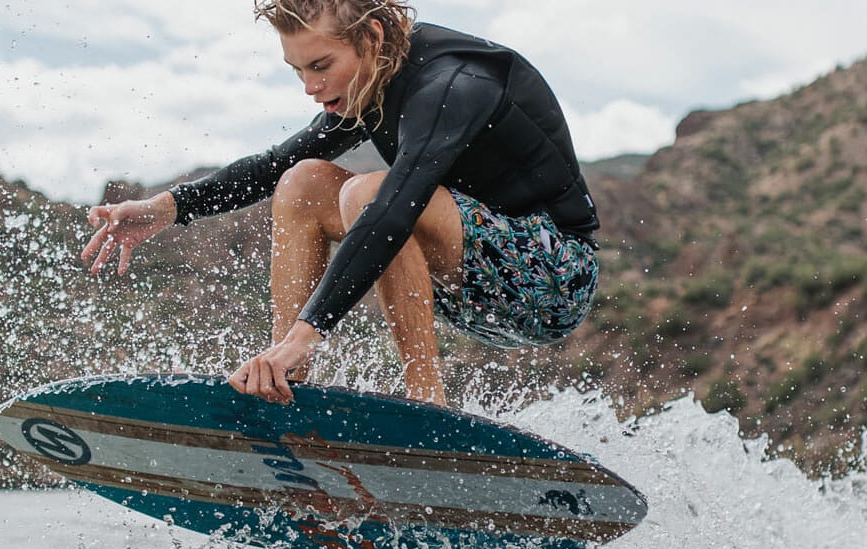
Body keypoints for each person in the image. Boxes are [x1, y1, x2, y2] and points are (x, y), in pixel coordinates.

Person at [81, 0, 600, 407]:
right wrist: (165, 208)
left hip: (549, 281)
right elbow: (271, 165)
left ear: (371, 37)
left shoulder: (454, 84)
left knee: (367, 192)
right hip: (464, 275)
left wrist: (309, 332)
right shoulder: (374, 79)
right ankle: (285, 385)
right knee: (301, 181)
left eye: (321, 65)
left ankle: (427, 402)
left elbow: (394, 208)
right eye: (298, 70)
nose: (310, 86)